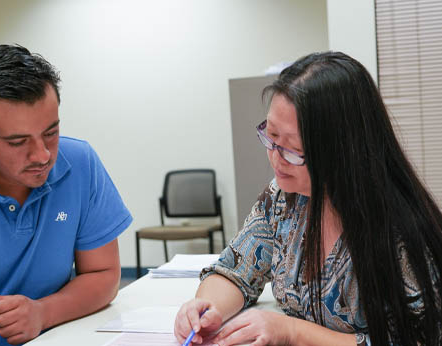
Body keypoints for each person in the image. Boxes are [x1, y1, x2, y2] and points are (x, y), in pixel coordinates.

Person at [174, 51, 442, 346]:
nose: (276, 159)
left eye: (292, 149)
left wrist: (291, 331)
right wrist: (206, 308)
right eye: (271, 136)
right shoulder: (282, 201)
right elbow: (235, 270)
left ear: (343, 150)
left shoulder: (399, 230)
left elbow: (417, 339)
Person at [0, 44, 132, 346]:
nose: (43, 155)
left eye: (51, 132)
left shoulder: (80, 162)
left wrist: (43, 313)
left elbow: (103, 274)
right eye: (18, 142)